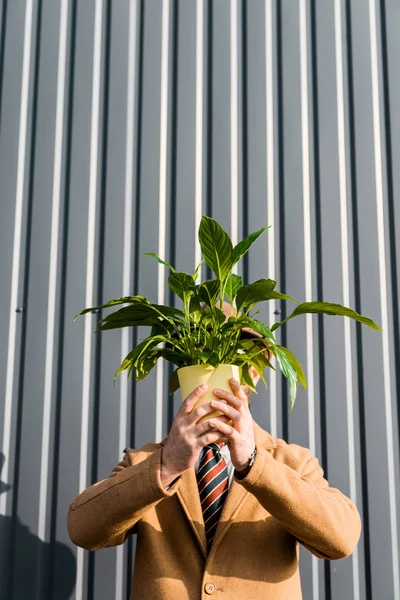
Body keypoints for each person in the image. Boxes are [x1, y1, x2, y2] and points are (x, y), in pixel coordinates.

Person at [67, 304, 362, 600]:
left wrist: (254, 465)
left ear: (256, 372)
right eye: (200, 353)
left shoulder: (290, 462)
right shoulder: (147, 463)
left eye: (234, 356)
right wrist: (165, 466)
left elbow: (342, 539)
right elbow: (83, 529)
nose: (214, 367)